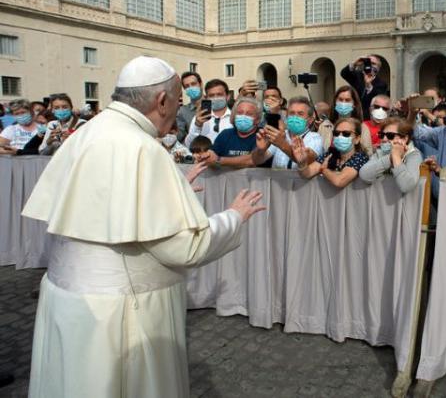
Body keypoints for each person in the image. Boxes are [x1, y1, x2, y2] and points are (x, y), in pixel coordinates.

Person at [21, 56, 267, 398]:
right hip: (120, 314)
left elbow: (110, 200)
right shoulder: (141, 146)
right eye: (178, 99)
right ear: (162, 101)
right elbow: (184, 247)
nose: (177, 107)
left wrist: (176, 187)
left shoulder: (88, 131)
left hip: (66, 299)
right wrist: (233, 217)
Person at [252, 96, 323, 169]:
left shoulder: (315, 138)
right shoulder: (280, 134)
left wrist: (282, 144)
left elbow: (308, 160)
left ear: (310, 120)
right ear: (286, 116)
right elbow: (257, 161)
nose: (295, 117)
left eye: (300, 114)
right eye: (292, 113)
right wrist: (260, 150)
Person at [295, 117, 368, 188]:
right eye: (336, 133)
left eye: (346, 134)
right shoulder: (330, 154)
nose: (340, 136)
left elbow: (339, 181)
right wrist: (302, 162)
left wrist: (324, 170)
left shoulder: (361, 157)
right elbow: (306, 174)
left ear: (357, 139)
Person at [360, 117, 423, 193]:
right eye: (382, 135)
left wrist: (396, 157)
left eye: (390, 135)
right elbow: (364, 175)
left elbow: (406, 186)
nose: (384, 139)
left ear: (404, 139)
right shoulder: (380, 152)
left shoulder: (413, 154)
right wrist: (390, 158)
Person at [197, 96, 261, 169]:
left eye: (249, 114)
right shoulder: (225, 134)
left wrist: (219, 160)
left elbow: (251, 160)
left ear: (258, 119)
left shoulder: (262, 135)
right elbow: (213, 154)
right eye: (240, 113)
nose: (243, 116)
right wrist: (206, 156)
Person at [318, 85, 373, 154]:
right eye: (340, 99)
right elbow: (319, 152)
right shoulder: (324, 126)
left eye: (347, 100)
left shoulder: (362, 128)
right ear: (335, 102)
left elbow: (368, 153)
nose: (343, 103)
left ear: (354, 104)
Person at [185, 79, 233, 146]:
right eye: (211, 95)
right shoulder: (200, 117)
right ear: (206, 98)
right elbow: (189, 144)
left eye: (219, 94)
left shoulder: (234, 117)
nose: (215, 98)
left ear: (228, 97)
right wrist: (197, 126)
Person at [340, 55, 388, 120]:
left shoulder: (381, 84)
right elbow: (344, 73)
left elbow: (376, 100)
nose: (371, 65)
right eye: (368, 62)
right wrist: (355, 63)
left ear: (378, 68)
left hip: (368, 117)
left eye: (373, 63)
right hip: (354, 115)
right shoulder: (358, 76)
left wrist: (368, 85)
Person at [177, 71, 203, 143]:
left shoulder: (214, 106)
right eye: (187, 86)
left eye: (193, 84)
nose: (191, 88)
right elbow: (179, 136)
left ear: (200, 84)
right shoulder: (182, 111)